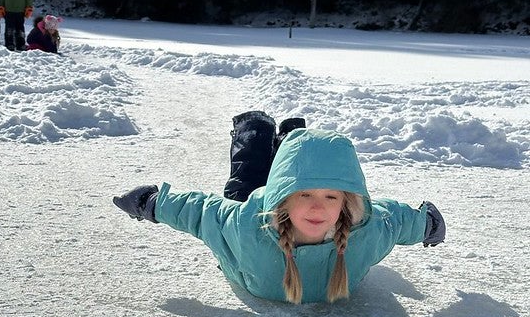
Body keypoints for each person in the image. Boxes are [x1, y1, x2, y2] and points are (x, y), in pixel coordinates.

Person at [112, 111, 446, 304]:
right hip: (261, 213)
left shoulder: (364, 232)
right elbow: (200, 213)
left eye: (331, 197)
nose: (318, 208)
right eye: (303, 195)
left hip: (277, 209)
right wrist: (153, 204)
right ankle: (255, 127)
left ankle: (293, 138)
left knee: (301, 169)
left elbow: (395, 221)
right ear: (285, 197)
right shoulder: (244, 224)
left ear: (347, 202)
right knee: (243, 182)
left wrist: (426, 224)